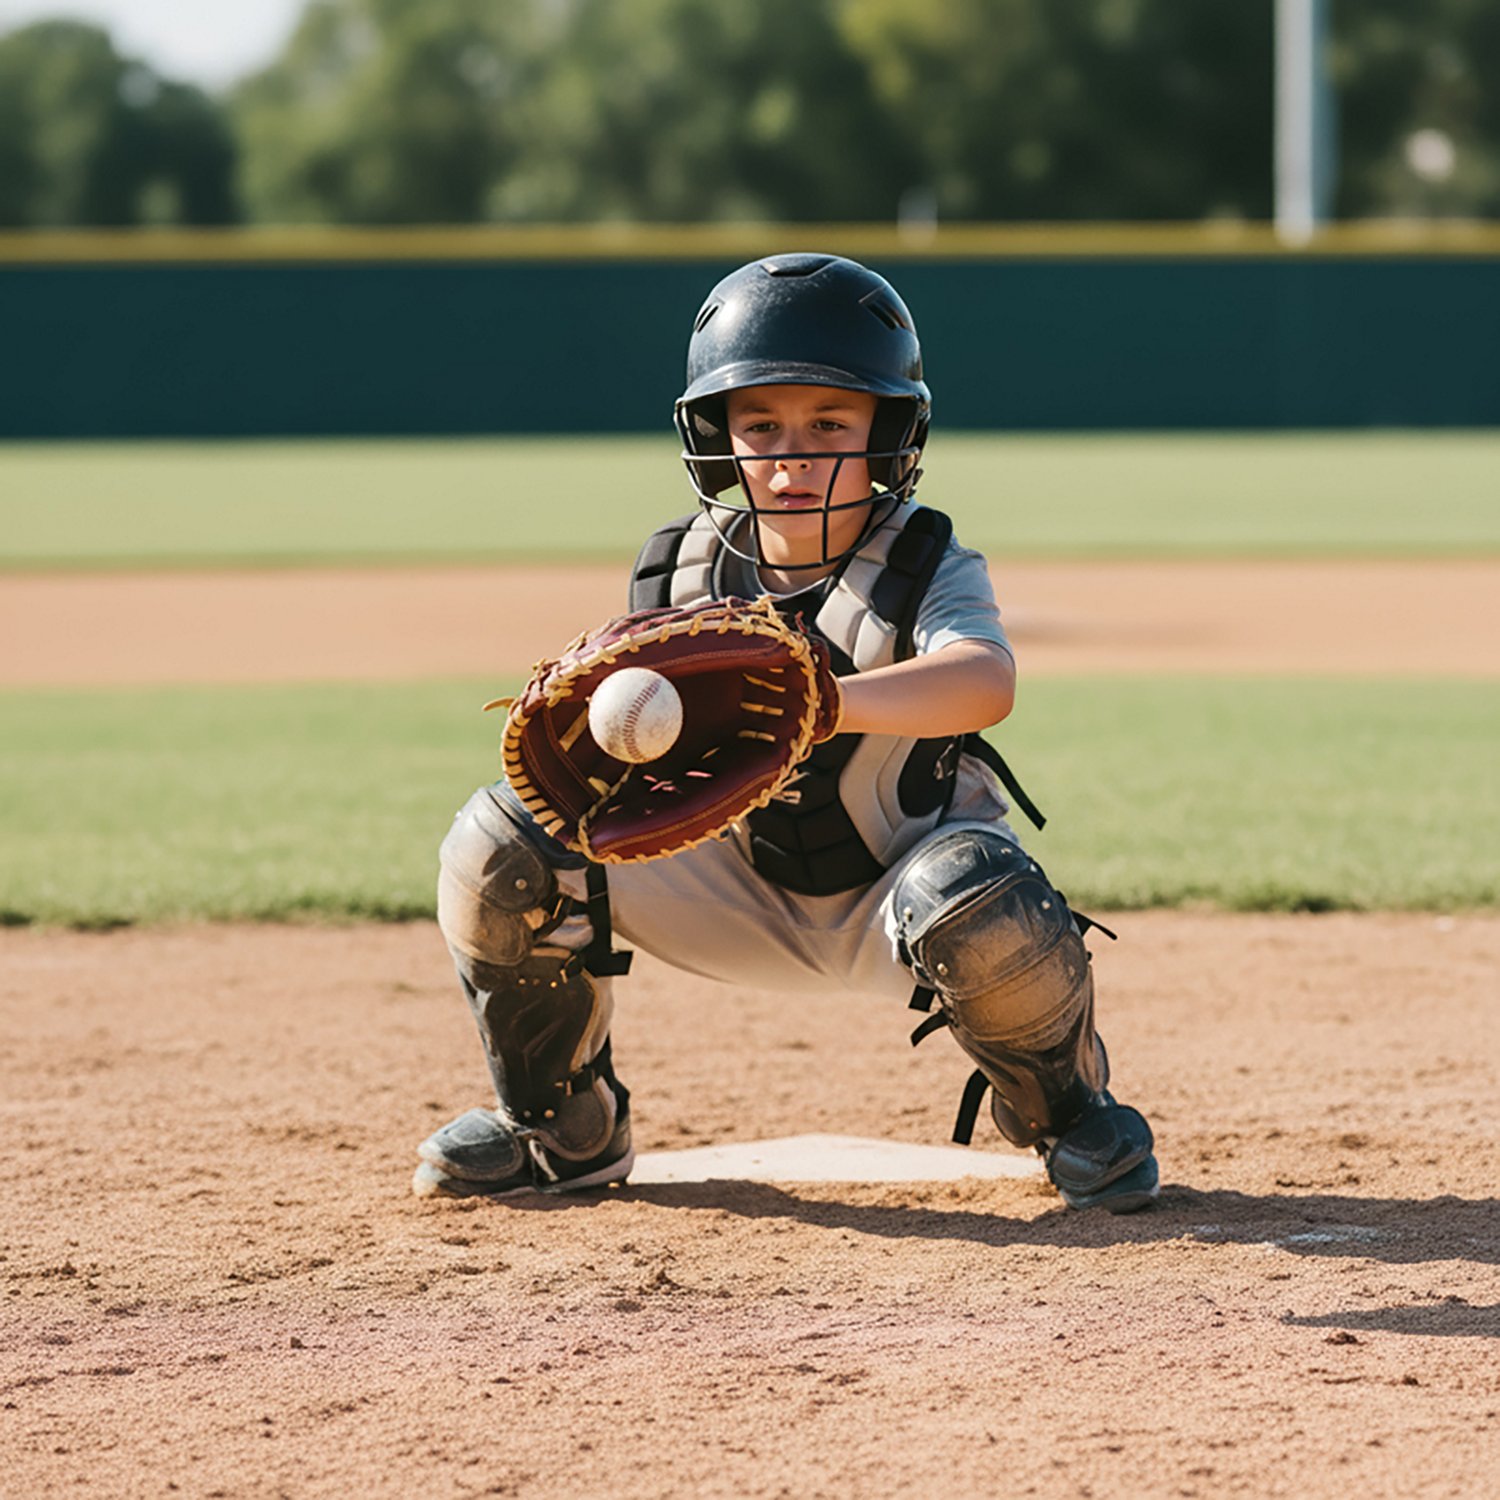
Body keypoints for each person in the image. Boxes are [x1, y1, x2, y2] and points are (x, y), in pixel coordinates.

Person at [415, 252, 1158, 1213]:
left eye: (831, 423)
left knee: (979, 896)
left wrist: (830, 702)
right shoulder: (675, 573)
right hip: (731, 889)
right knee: (500, 843)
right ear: (715, 433)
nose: (793, 455)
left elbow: (987, 681)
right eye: (760, 424)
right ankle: (563, 1128)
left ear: (891, 430)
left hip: (899, 895)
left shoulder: (921, 559)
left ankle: (1063, 1106)